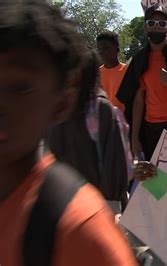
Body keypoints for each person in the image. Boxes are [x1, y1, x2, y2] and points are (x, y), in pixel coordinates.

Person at [0, 1, 136, 265]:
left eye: (19, 87)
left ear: (61, 103)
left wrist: (113, 200)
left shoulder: (79, 229)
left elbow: (115, 159)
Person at [46, 47, 132, 215]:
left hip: (97, 205)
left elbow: (115, 165)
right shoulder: (57, 110)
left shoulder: (101, 110)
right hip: (65, 204)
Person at [117, 4, 167, 160]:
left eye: (162, 24)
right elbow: (138, 102)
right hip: (152, 129)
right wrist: (134, 138)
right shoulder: (139, 60)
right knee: (159, 181)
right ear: (145, 28)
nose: (157, 27)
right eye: (152, 23)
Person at [97, 31, 128, 112]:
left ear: (117, 49)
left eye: (105, 47)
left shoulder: (127, 71)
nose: (101, 51)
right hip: (105, 120)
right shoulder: (97, 74)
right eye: (99, 48)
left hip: (125, 120)